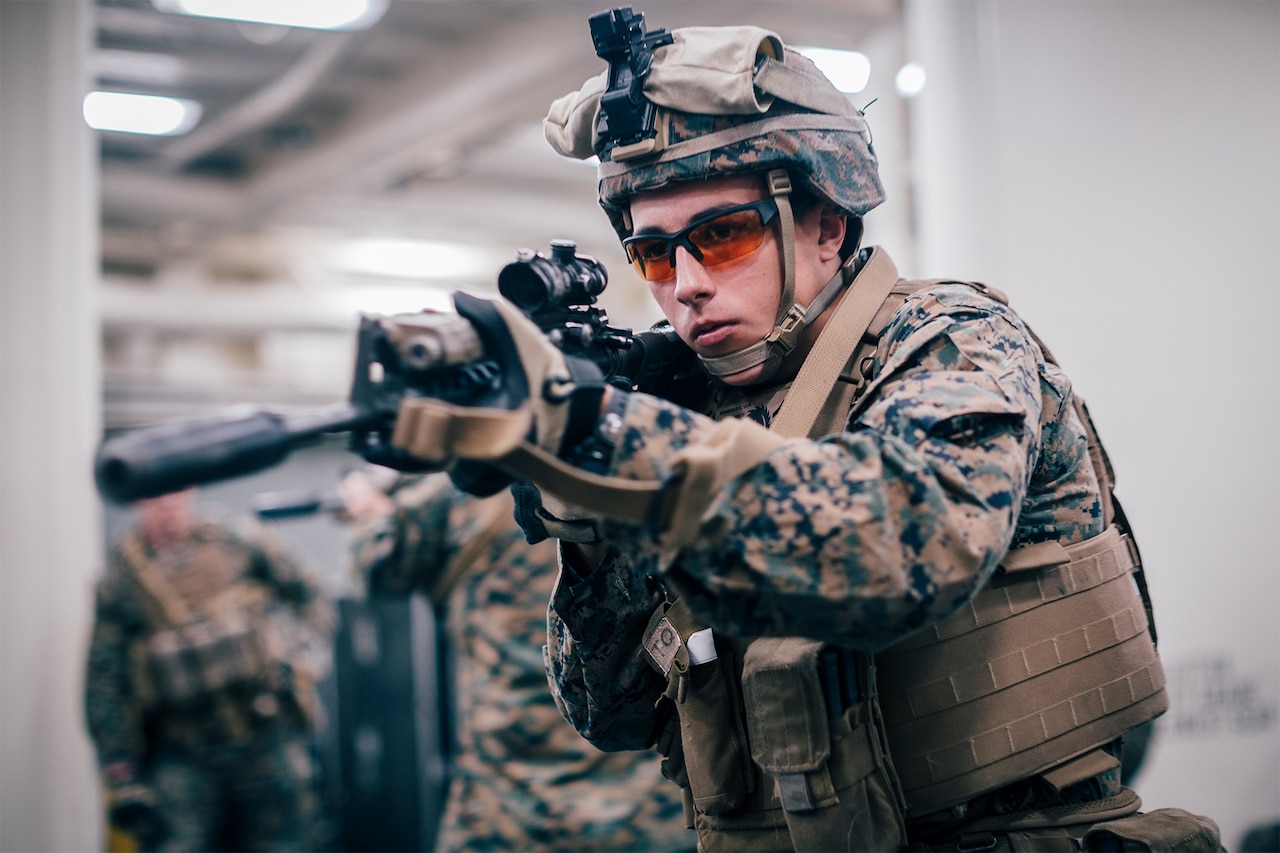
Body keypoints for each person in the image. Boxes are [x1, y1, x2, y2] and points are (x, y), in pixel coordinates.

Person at [378, 10, 1227, 852]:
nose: (687, 284)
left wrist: (612, 434)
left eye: (724, 234)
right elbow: (612, 711)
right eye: (655, 254)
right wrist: (591, 530)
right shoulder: (697, 407)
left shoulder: (948, 339)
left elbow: (907, 545)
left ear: (827, 222)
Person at [339, 467, 694, 852]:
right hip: (648, 805)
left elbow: (379, 566)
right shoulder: (635, 459)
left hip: (511, 806)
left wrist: (368, 506)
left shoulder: (464, 484)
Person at [84, 487, 335, 852]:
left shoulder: (234, 542)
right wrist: (120, 765)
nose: (166, 501)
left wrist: (301, 656)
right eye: (154, 492)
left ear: (190, 490)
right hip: (181, 751)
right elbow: (103, 679)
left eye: (175, 488)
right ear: (137, 498)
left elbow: (310, 593)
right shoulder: (122, 580)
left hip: (263, 736)